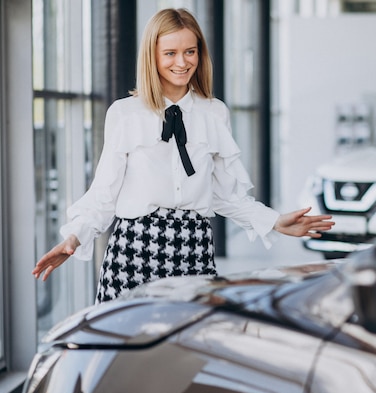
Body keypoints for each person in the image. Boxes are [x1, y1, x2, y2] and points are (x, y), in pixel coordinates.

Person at [32, 8, 334, 303]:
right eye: (170, 53)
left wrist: (275, 221)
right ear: (152, 56)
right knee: (128, 347)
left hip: (194, 247)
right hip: (136, 248)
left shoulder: (214, 113)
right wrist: (74, 237)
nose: (182, 62)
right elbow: (104, 195)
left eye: (190, 51)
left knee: (190, 347)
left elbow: (224, 195)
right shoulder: (125, 114)